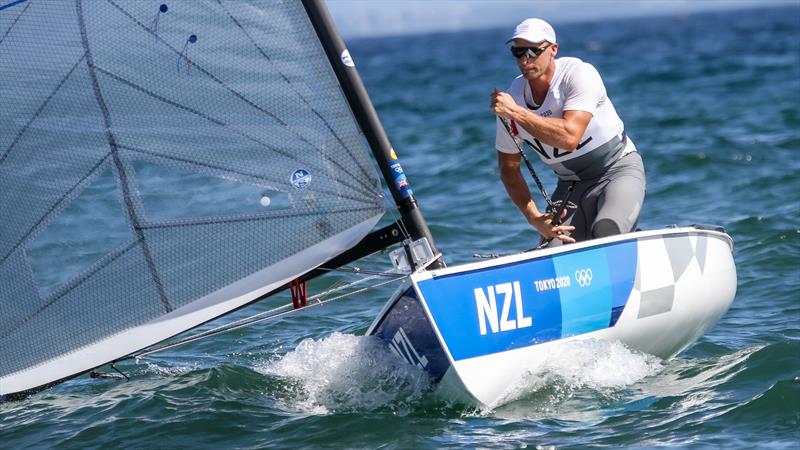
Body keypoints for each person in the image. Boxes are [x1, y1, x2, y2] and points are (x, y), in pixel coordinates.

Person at [490, 18, 645, 245]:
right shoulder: (512, 100)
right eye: (518, 52)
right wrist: (535, 218)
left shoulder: (578, 75)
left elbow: (570, 137)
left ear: (553, 50)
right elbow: (508, 169)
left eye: (533, 51)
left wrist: (517, 113)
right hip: (570, 186)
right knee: (549, 247)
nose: (525, 59)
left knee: (606, 231)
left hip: (617, 170)